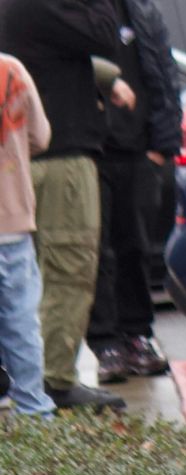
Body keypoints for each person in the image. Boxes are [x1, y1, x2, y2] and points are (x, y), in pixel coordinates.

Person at [0, 0, 129, 412]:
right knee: (67, 271)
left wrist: (103, 77)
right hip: (56, 158)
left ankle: (32, 382)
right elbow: (104, 33)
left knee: (31, 285)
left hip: (29, 160)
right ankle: (52, 381)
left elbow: (41, 48)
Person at [86, 0, 176, 382]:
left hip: (138, 152)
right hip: (89, 151)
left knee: (136, 247)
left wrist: (161, 147)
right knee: (96, 252)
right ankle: (106, 344)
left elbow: (164, 77)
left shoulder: (141, 13)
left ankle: (138, 335)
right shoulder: (75, 13)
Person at [0, 50, 54, 418]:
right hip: (12, 219)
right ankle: (34, 411)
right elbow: (40, 136)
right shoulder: (11, 69)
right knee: (20, 321)